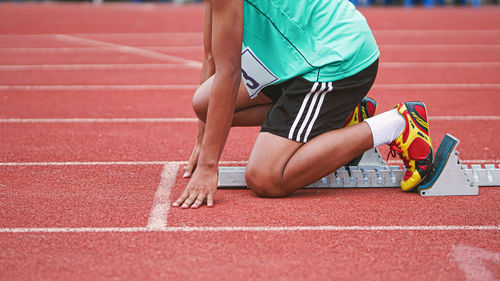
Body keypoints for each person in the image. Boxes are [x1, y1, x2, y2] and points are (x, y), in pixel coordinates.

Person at [172, 0, 434, 209]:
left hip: (335, 60)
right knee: (203, 103)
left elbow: (228, 75)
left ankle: (398, 124)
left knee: (266, 177)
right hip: (295, 55)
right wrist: (201, 143)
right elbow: (212, 59)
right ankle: (343, 115)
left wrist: (208, 167)